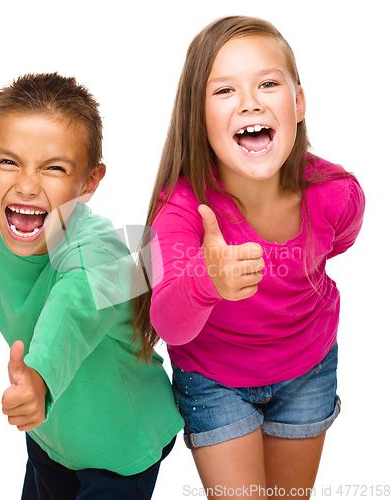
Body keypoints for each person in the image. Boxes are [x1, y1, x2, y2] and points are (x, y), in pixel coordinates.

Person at [133, 16, 365, 499]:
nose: (250, 102)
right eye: (224, 91)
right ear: (198, 118)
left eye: (267, 83)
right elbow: (169, 323)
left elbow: (337, 242)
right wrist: (206, 282)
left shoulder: (338, 194)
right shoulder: (179, 210)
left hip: (308, 368)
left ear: (297, 103)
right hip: (216, 382)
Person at [0, 72, 183, 500]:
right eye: (8, 161)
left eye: (53, 168)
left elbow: (74, 306)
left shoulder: (98, 254)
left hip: (120, 443)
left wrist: (38, 378)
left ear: (89, 182)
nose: (27, 185)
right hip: (52, 435)